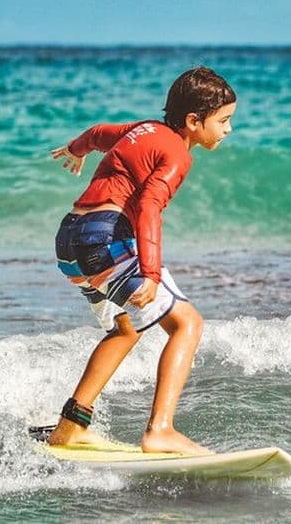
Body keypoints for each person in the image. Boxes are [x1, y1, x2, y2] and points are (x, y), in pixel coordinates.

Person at [48, 67, 236, 455]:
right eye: (223, 121)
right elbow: (150, 206)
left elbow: (98, 133)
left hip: (70, 241)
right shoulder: (178, 154)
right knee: (187, 324)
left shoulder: (143, 129)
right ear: (193, 121)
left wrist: (76, 149)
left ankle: (71, 426)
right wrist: (150, 273)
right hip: (105, 238)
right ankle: (161, 430)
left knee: (124, 331)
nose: (228, 129)